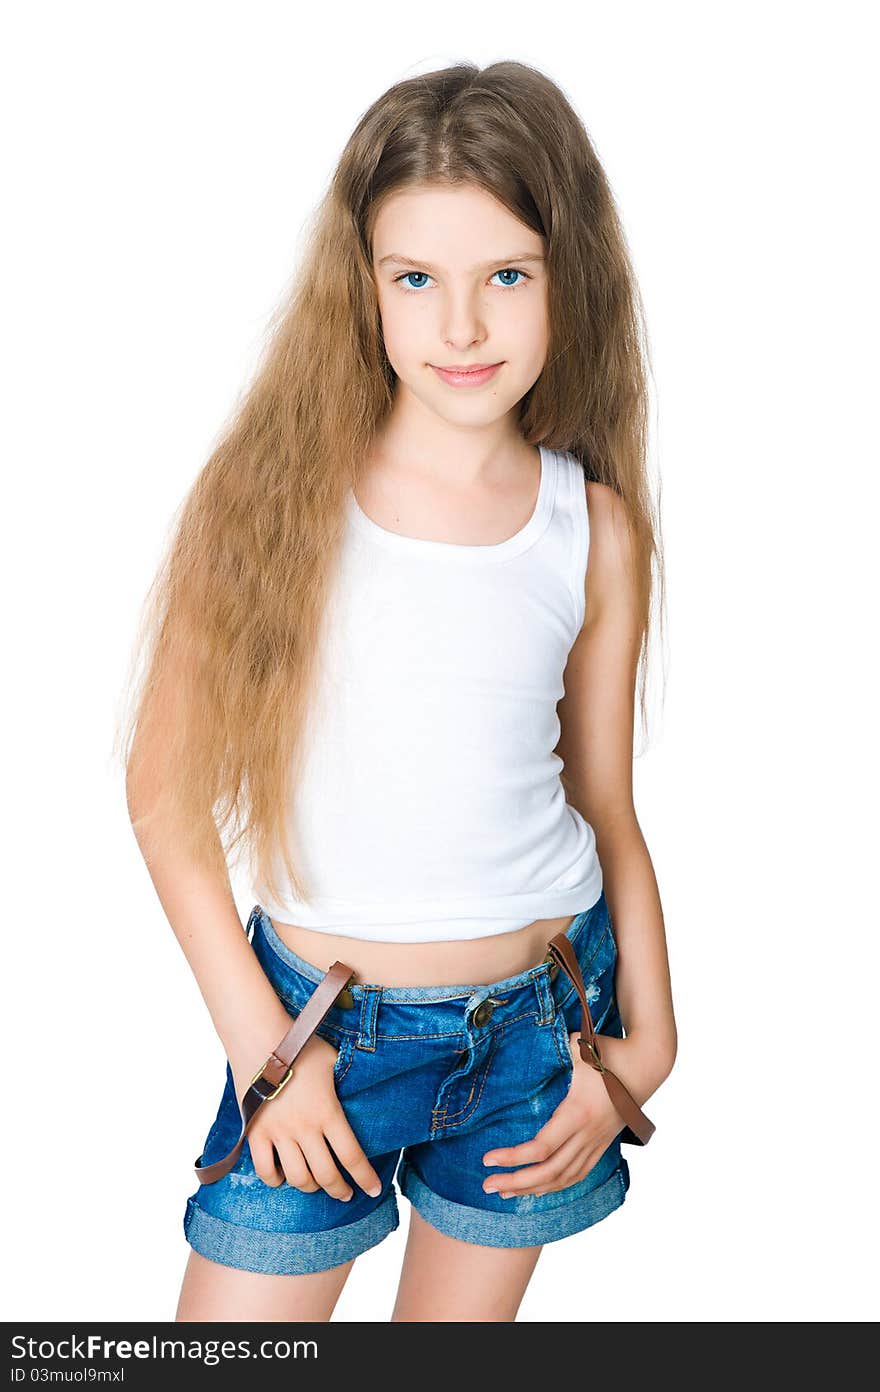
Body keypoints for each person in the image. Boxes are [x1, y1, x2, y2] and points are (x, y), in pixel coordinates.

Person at [117, 58, 678, 1324]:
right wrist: (273, 1062)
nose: (462, 327)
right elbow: (163, 803)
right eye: (415, 279)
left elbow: (604, 802)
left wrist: (650, 1041)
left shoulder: (588, 526)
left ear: (564, 278)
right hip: (319, 1036)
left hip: (545, 1031)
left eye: (506, 277)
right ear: (361, 287)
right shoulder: (270, 503)